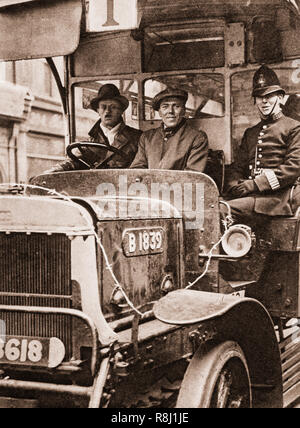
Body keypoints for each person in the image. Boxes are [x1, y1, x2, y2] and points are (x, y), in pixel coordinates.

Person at [223, 65, 300, 228]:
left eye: (269, 95)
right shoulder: (251, 133)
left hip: (278, 199)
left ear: (280, 97)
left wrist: (254, 184)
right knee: (211, 207)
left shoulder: (294, 128)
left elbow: (292, 168)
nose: (264, 101)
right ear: (255, 100)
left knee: (221, 211)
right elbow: (238, 166)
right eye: (259, 96)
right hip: (253, 196)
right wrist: (234, 184)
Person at [45, 84, 142, 172]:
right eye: (103, 107)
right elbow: (73, 161)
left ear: (121, 111)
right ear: (98, 110)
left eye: (113, 107)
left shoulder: (137, 138)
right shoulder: (90, 141)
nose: (107, 112)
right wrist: (53, 171)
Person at [130, 87, 208, 171]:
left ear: (184, 111)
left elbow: (192, 175)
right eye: (165, 107)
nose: (170, 111)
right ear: (159, 112)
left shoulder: (197, 137)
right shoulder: (147, 137)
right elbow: (137, 170)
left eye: (176, 106)